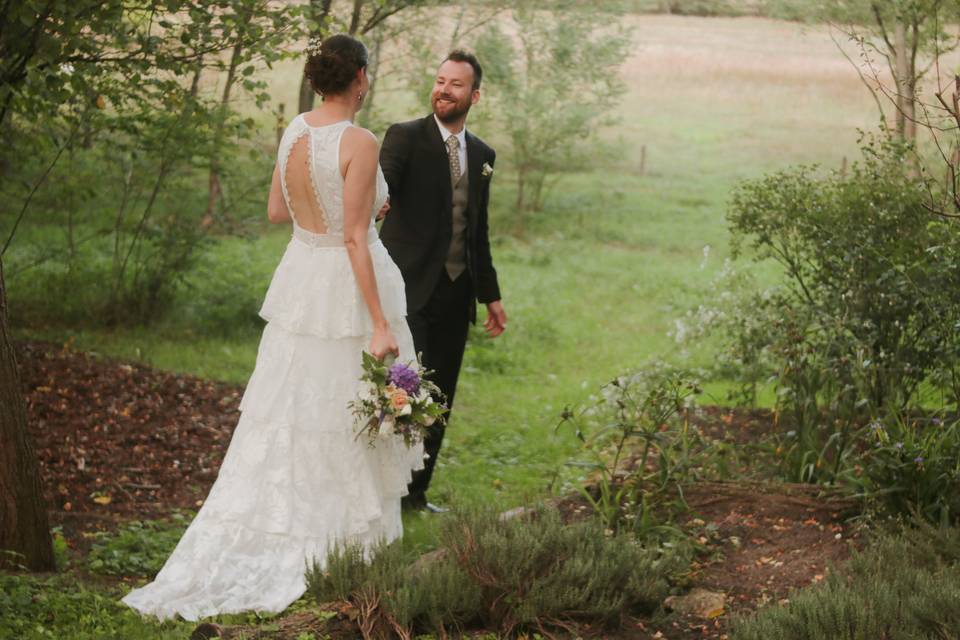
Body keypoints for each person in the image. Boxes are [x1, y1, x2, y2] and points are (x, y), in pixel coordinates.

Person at [121, 34, 423, 621]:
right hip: (345, 287)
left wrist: (343, 212)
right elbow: (356, 237)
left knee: (296, 411)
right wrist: (381, 322)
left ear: (318, 80)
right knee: (346, 409)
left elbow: (278, 211)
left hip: (301, 277)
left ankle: (292, 525)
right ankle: (340, 542)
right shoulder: (358, 140)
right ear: (359, 77)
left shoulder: (295, 130)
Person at [379, 50, 507, 512]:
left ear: (474, 95)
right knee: (403, 388)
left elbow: (478, 230)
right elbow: (381, 188)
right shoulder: (405, 137)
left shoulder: (484, 155)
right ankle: (385, 488)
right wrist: (378, 201)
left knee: (442, 394)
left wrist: (490, 295)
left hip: (457, 292)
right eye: (439, 80)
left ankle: (416, 493)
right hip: (408, 287)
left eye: (455, 84)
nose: (443, 90)